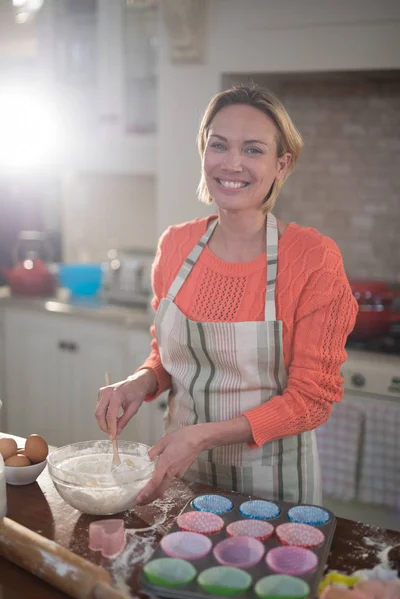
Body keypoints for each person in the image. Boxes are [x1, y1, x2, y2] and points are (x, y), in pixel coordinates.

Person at [96, 85, 358, 506]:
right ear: (204, 152)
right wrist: (138, 382)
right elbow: (167, 356)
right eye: (219, 145)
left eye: (253, 150)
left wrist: (202, 437)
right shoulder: (176, 245)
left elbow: (311, 400)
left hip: (272, 487)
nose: (232, 163)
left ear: (281, 164)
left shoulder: (313, 258)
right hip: (182, 473)